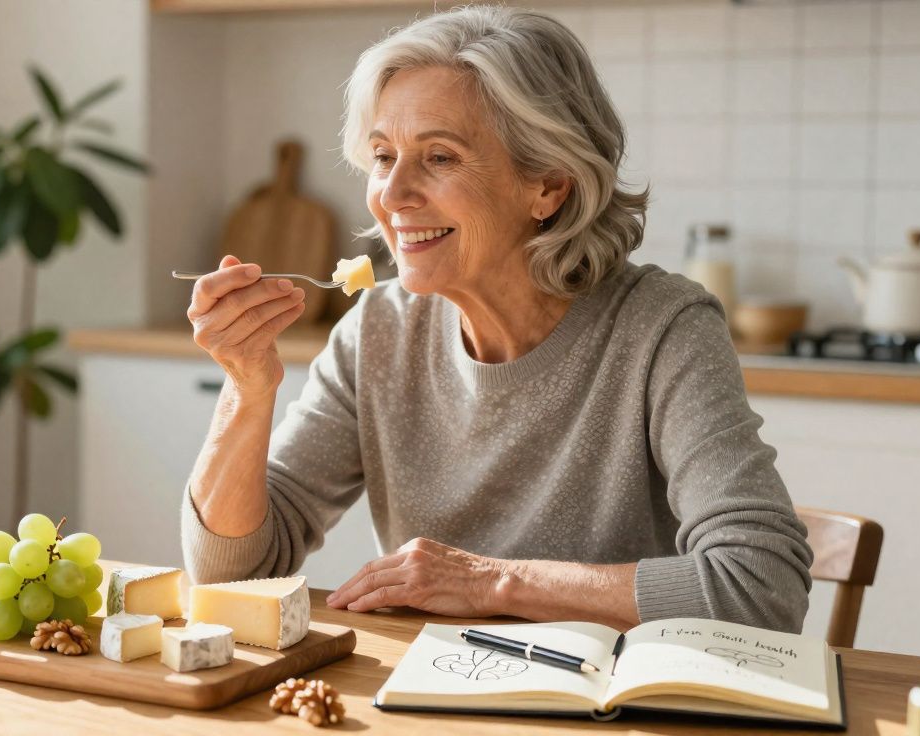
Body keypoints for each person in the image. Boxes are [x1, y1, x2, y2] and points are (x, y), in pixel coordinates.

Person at [180, 6, 812, 633]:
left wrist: (490, 581)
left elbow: (760, 586)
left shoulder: (661, 329)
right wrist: (247, 390)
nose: (393, 195)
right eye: (382, 156)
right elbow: (232, 575)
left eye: (440, 158)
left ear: (548, 186)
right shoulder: (378, 329)